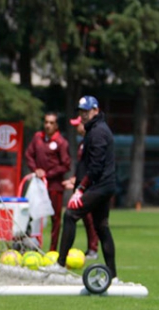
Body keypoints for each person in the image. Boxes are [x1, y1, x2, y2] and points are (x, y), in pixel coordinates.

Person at [48, 96, 117, 280]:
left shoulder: (98, 132)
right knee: (102, 227)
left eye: (86, 111)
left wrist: (80, 189)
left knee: (70, 214)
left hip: (100, 186)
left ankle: (60, 265)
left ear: (95, 110)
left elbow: (95, 167)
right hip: (102, 186)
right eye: (81, 111)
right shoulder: (94, 130)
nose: (83, 115)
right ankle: (113, 274)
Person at [25, 112, 71, 251]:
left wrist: (48, 174)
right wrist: (36, 169)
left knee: (55, 218)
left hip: (54, 186)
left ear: (56, 125)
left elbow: (65, 165)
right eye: (46, 122)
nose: (48, 125)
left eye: (51, 123)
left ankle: (53, 250)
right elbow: (29, 155)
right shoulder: (37, 138)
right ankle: (31, 245)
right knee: (31, 214)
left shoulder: (61, 142)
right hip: (38, 185)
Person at [66, 116, 99, 259]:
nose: (76, 128)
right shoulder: (83, 142)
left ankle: (93, 249)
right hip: (82, 184)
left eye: (78, 125)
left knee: (90, 219)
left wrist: (82, 183)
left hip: (89, 187)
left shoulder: (91, 141)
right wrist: (75, 179)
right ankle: (91, 248)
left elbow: (92, 166)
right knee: (86, 219)